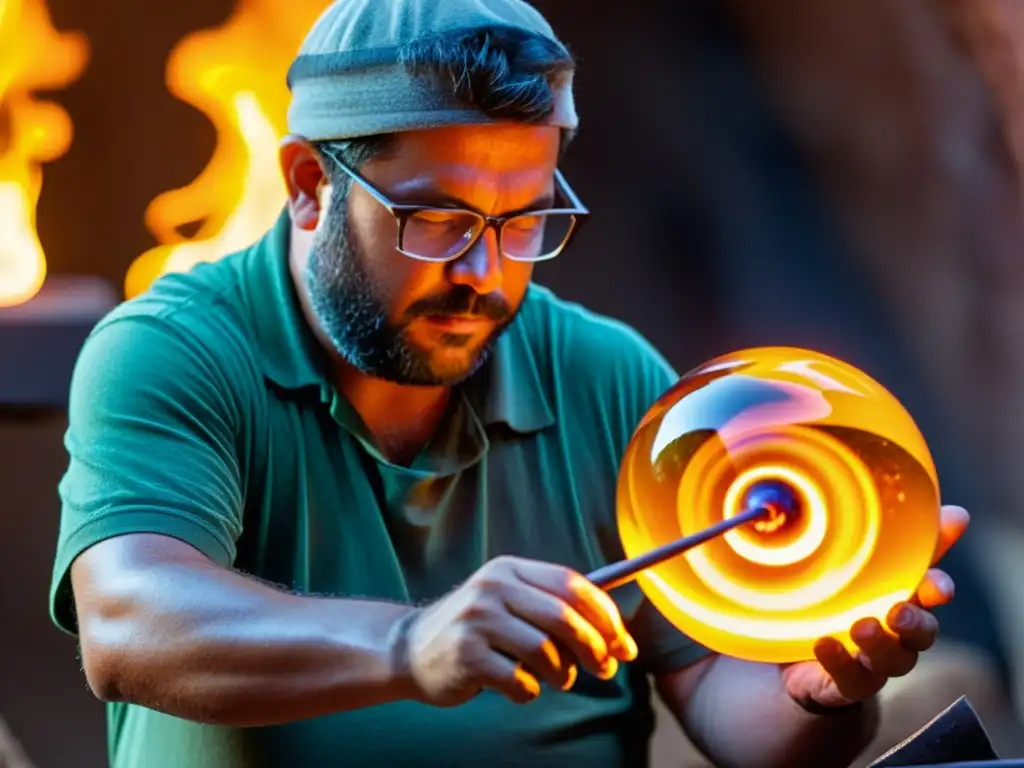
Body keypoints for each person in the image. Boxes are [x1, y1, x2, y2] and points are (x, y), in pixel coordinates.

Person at [48, 0, 969, 766]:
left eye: (524, 220)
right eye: (437, 220)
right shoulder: (174, 352)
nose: (484, 272)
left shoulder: (607, 379)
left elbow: (737, 716)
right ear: (306, 186)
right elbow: (130, 625)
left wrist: (821, 697)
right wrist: (413, 646)